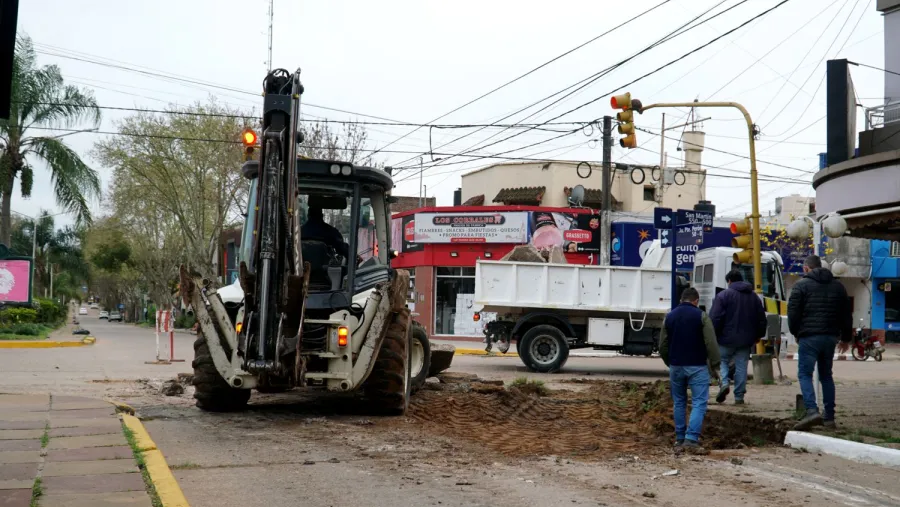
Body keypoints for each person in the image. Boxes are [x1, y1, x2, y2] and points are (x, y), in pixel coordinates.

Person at [787, 255, 853, 430]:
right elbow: (846, 314)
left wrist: (796, 333)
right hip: (830, 337)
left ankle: (811, 410)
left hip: (809, 337)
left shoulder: (800, 286)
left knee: (804, 374)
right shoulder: (838, 287)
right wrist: (846, 338)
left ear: (807, 268)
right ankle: (829, 417)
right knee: (826, 376)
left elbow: (793, 313)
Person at [660, 287, 721, 455]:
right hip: (697, 366)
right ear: (696, 301)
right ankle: (691, 439)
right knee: (699, 402)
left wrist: (669, 362)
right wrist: (715, 364)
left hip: (676, 366)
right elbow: (711, 342)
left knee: (679, 401)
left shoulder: (669, 317)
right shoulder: (701, 316)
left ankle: (679, 438)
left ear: (681, 300)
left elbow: (662, 344)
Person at [709, 270, 768, 405]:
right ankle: (739, 396)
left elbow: (715, 318)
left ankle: (724, 383)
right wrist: (759, 335)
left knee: (722, 361)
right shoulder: (754, 297)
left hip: (725, 339)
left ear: (729, 281)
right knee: (741, 366)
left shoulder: (723, 295)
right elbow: (761, 319)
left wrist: (714, 334)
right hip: (746, 340)